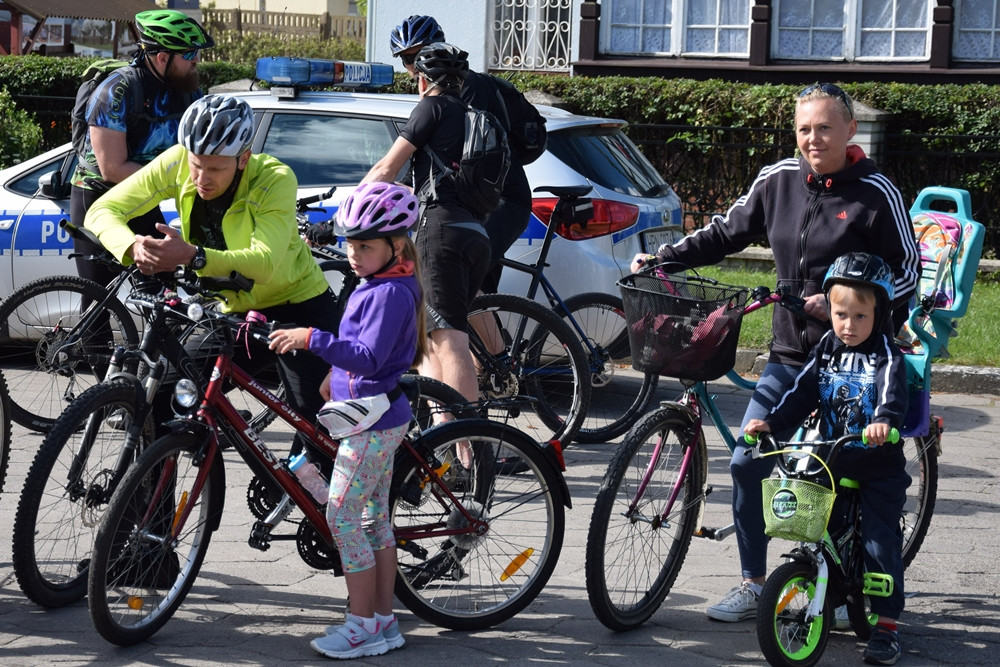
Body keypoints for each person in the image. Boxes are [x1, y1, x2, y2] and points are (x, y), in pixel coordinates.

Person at [631, 83, 921, 623]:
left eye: (826, 127)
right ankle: (753, 583)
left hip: (852, 364)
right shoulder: (778, 180)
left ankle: (843, 584)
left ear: (850, 130)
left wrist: (853, 309)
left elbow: (907, 273)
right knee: (748, 462)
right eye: (805, 128)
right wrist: (662, 260)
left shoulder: (876, 192)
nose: (814, 138)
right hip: (790, 358)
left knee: (841, 474)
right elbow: (724, 233)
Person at [84, 95, 338, 459]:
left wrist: (193, 255)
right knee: (162, 400)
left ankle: (323, 511)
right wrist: (132, 247)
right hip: (233, 313)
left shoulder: (274, 179)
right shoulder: (178, 162)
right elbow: (103, 208)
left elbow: (264, 263)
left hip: (300, 308)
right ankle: (149, 515)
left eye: (216, 169)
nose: (202, 178)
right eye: (196, 166)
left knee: (317, 434)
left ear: (243, 159)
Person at [267, 183, 425, 659]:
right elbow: (357, 349)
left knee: (342, 516)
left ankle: (359, 626)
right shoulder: (381, 282)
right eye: (350, 244)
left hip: (373, 423)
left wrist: (311, 339)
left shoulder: (389, 293)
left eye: (364, 245)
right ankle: (383, 621)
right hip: (374, 414)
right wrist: (334, 377)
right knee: (375, 519)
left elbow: (370, 356)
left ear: (396, 245)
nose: (353, 254)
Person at [744, 251, 909, 666]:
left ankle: (887, 626)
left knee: (877, 543)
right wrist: (772, 423)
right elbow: (801, 393)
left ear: (880, 314)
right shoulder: (826, 349)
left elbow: (892, 395)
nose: (849, 325)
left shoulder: (887, 355)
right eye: (840, 314)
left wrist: (884, 422)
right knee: (818, 529)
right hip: (831, 457)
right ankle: (827, 591)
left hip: (877, 466)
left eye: (860, 317)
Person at [360, 42, 492, 406]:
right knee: (431, 338)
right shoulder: (471, 114)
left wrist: (352, 209)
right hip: (475, 233)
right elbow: (431, 180)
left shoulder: (431, 106)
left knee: (451, 343)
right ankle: (443, 431)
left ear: (422, 80)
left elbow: (385, 169)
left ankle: (469, 444)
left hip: (441, 233)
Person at [389, 14, 532, 295]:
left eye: (419, 54)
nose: (415, 65)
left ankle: (479, 341)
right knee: (471, 292)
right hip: (476, 200)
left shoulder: (465, 89)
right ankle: (480, 340)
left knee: (457, 285)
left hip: (500, 199)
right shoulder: (435, 97)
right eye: (407, 59)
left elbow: (461, 150)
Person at [72, 8, 213, 289]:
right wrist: (174, 183)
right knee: (97, 298)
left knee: (164, 295)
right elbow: (112, 169)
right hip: (99, 197)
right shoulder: (117, 90)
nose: (197, 60)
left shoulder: (188, 90)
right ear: (162, 57)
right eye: (189, 54)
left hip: (142, 198)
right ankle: (90, 334)